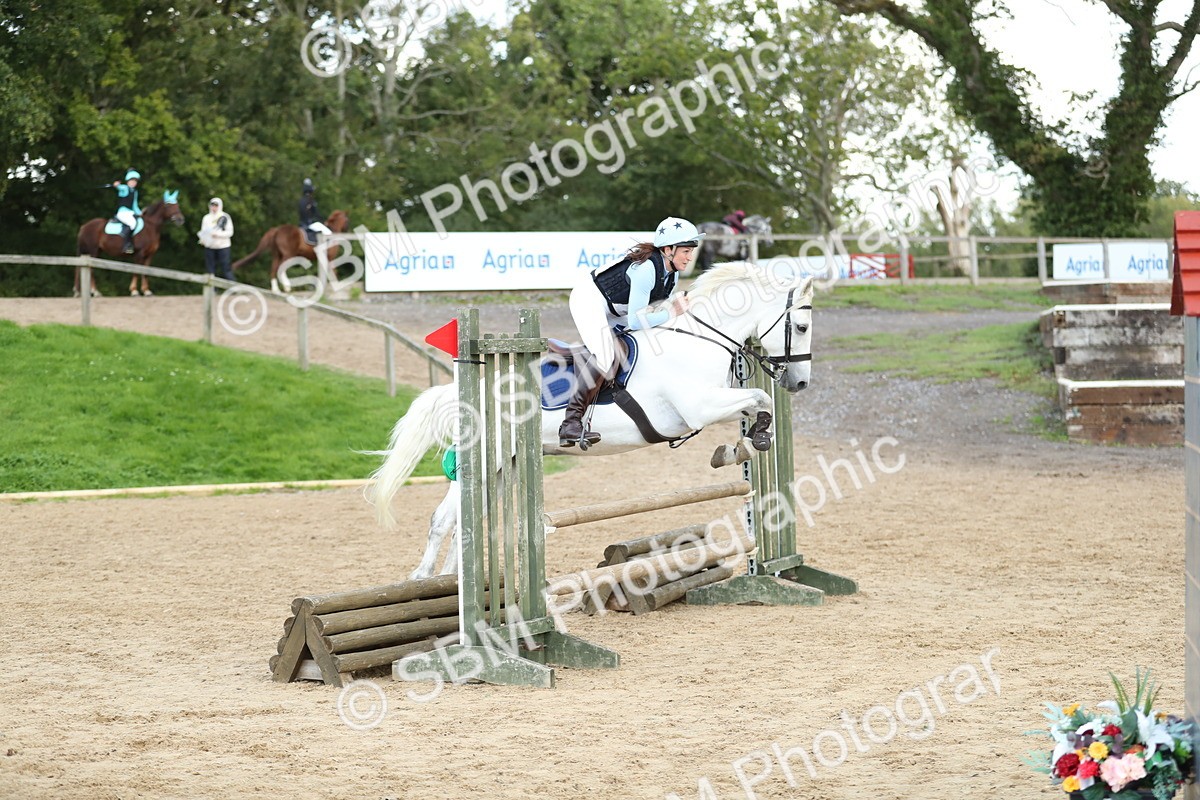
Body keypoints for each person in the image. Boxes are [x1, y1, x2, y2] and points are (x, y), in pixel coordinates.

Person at [558, 216, 704, 447]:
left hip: (617, 309)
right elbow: (637, 321)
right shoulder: (646, 269)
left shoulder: (672, 275)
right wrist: (672, 313)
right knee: (606, 354)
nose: (689, 257)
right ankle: (571, 422)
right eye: (685, 251)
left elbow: (648, 315)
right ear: (668, 249)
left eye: (690, 251)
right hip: (589, 300)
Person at [198, 197, 235, 280]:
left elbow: (230, 232)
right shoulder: (206, 218)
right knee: (210, 270)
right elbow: (203, 231)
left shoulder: (225, 216)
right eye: (212, 205)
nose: (214, 208)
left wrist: (218, 234)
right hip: (210, 247)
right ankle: (213, 291)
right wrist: (203, 240)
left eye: (216, 205)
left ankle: (233, 289)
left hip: (223, 247)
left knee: (226, 269)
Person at [111, 169, 141, 254]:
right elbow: (120, 187)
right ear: (128, 181)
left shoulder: (135, 192)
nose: (133, 183)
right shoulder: (125, 188)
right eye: (132, 181)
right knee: (132, 223)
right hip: (122, 213)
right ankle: (126, 245)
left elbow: (135, 205)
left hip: (130, 212)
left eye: (135, 181)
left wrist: (140, 213)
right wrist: (117, 185)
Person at [298, 178, 331, 244]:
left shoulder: (300, 201)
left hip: (301, 224)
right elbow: (316, 213)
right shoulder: (311, 201)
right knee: (328, 232)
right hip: (309, 224)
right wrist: (323, 221)